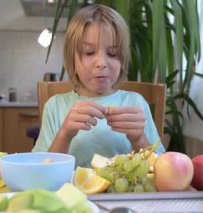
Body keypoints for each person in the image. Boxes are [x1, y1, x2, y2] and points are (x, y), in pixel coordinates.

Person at [33, 4, 165, 167]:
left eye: (112, 53)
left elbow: (160, 167)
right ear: (72, 59)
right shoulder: (55, 106)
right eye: (89, 52)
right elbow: (41, 168)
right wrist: (64, 135)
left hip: (123, 193)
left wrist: (139, 139)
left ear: (122, 59)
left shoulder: (136, 103)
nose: (101, 63)